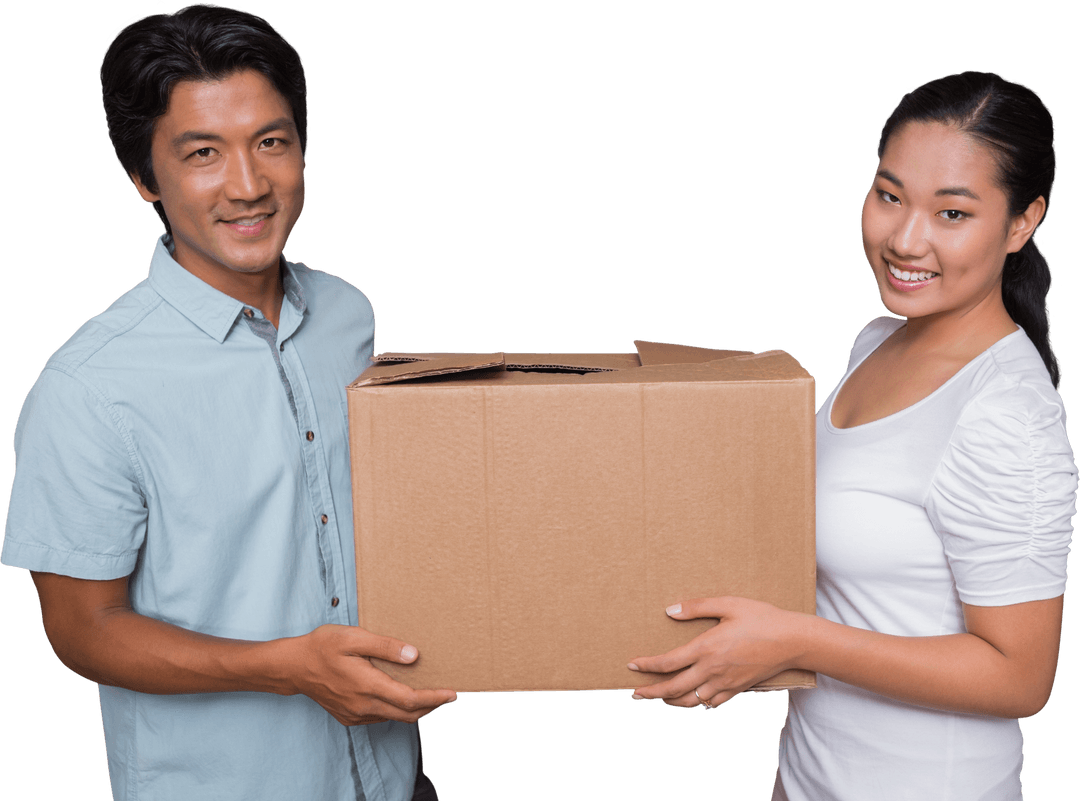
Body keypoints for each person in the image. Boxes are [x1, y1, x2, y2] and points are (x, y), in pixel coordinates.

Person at [0, 5, 455, 800]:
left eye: (271, 142)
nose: (248, 186)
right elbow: (81, 631)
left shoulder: (348, 316)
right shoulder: (89, 387)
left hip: (393, 777)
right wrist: (286, 669)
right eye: (202, 153)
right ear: (144, 176)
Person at [627, 71, 1077, 799]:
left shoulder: (1005, 413)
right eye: (890, 195)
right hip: (810, 776)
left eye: (953, 214)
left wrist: (793, 640)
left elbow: (1019, 676)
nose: (905, 238)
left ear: (1022, 223)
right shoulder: (877, 340)